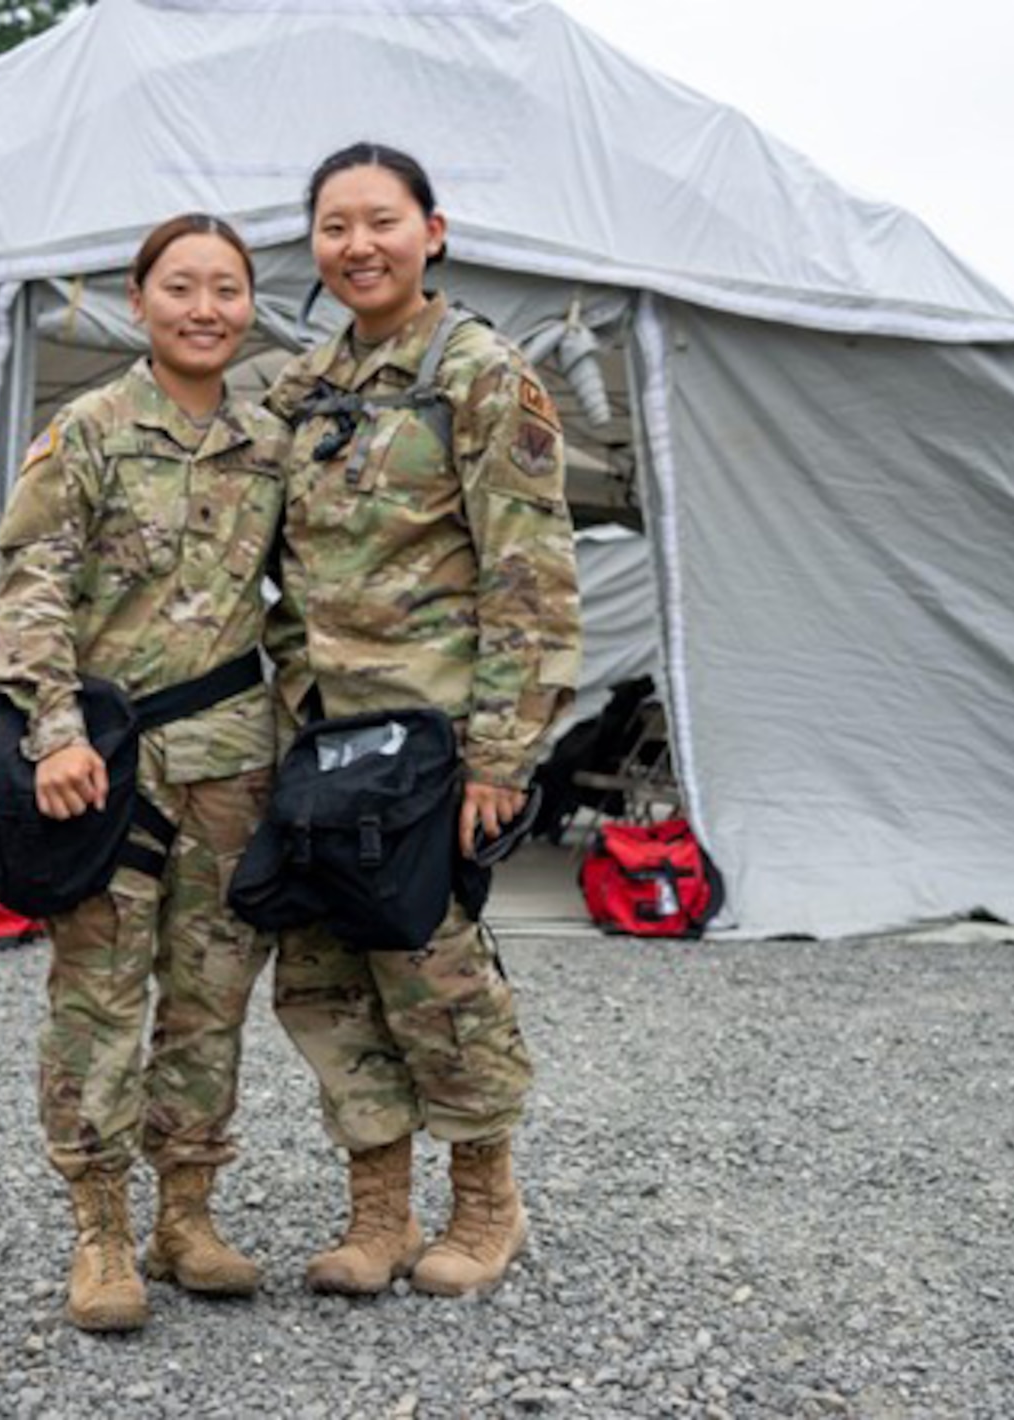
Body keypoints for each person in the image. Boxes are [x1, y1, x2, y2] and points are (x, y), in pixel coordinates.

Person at [263, 144, 582, 1299]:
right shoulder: (303, 391)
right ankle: (378, 1211)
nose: (358, 245)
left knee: (434, 973)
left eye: (381, 221)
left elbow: (530, 573)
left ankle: (486, 1203)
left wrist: (502, 753)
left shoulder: (479, 374)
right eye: (334, 226)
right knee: (323, 973)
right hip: (317, 743)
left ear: (431, 232)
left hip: (432, 743)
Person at [0, 213, 288, 1332]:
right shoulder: (90, 430)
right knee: (98, 998)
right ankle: (100, 1227)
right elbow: (31, 586)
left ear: (248, 304)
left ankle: (187, 1212)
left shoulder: (270, 441)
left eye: (224, 288)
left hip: (229, 763)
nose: (203, 308)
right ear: (137, 297)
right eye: (180, 287)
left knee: (210, 998)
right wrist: (53, 732)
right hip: (102, 769)